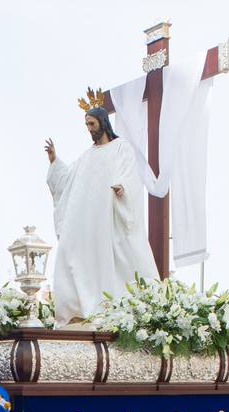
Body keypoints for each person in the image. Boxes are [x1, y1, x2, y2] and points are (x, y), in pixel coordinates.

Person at [45, 105, 159, 325]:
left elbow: (128, 173)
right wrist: (54, 161)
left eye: (92, 124)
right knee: (71, 251)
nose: (89, 129)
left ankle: (114, 307)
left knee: (117, 257)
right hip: (87, 220)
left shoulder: (120, 147)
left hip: (109, 213)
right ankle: (78, 309)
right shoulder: (86, 156)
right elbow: (67, 180)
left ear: (102, 123)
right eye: (87, 125)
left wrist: (122, 187)